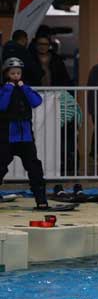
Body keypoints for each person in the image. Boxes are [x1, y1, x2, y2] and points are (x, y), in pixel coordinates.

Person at [0, 58, 49, 210]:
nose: (16, 76)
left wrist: (25, 88)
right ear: (6, 74)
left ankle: (41, 200)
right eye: (12, 73)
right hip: (7, 136)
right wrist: (8, 89)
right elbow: (2, 106)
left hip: (26, 137)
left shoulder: (25, 88)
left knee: (34, 168)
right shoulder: (3, 89)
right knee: (1, 166)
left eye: (18, 73)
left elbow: (36, 102)